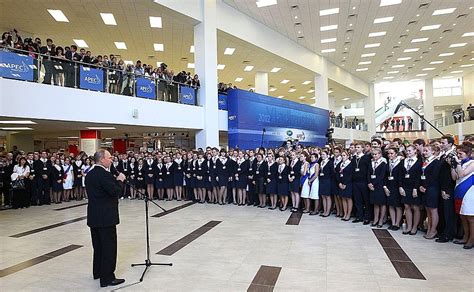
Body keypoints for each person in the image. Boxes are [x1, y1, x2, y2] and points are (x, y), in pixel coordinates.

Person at [85, 149, 126, 288]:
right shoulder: (104, 175)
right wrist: (120, 181)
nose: (111, 160)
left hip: (94, 216)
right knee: (108, 247)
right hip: (106, 217)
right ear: (102, 159)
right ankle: (107, 278)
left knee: (98, 246)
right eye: (109, 157)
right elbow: (115, 192)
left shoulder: (89, 174)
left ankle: (98, 272)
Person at [452, 143, 474, 249]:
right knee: (462, 216)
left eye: (461, 153)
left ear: (468, 153)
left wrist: (458, 164)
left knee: (469, 217)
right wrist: (453, 166)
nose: (459, 155)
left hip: (469, 192)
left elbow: (462, 174)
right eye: (458, 153)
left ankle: (471, 239)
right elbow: (455, 177)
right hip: (459, 191)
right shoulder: (459, 163)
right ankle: (465, 236)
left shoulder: (472, 163)